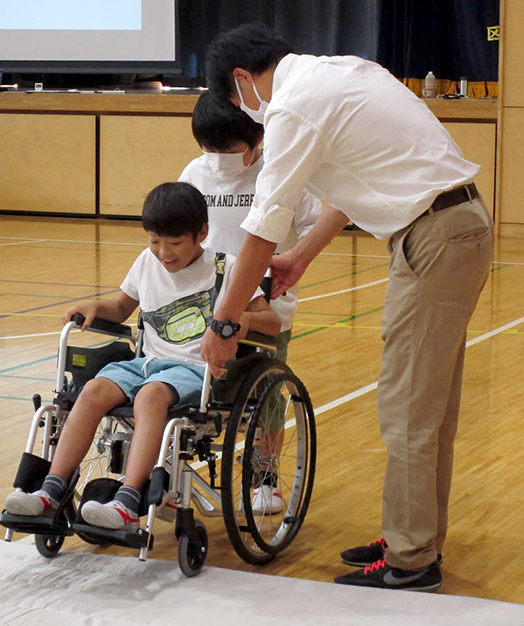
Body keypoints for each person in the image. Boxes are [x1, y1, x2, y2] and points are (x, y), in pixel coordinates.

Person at [201, 23, 494, 592]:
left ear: (243, 79)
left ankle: (412, 560)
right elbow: (346, 186)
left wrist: (225, 320)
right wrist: (304, 256)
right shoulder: (342, 70)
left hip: (434, 234)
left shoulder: (292, 107)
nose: (248, 113)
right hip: (455, 225)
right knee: (430, 405)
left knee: (408, 408)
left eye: (239, 101)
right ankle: (416, 536)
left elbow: (265, 223)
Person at [4, 181, 279, 531]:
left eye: (174, 243)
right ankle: (50, 491)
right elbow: (120, 307)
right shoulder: (147, 262)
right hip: (144, 364)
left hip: (195, 369)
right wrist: (95, 305)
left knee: (151, 396)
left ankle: (129, 499)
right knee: (91, 392)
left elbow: (272, 322)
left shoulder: (228, 268)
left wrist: (246, 320)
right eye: (154, 241)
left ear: (202, 234)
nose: (163, 252)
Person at [179, 92, 323, 512]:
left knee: (266, 395)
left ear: (257, 138)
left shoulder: (281, 173)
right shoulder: (194, 173)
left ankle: (264, 477)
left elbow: (316, 224)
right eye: (209, 148)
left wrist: (293, 264)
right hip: (205, 308)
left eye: (228, 149)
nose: (218, 158)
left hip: (266, 310)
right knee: (197, 392)